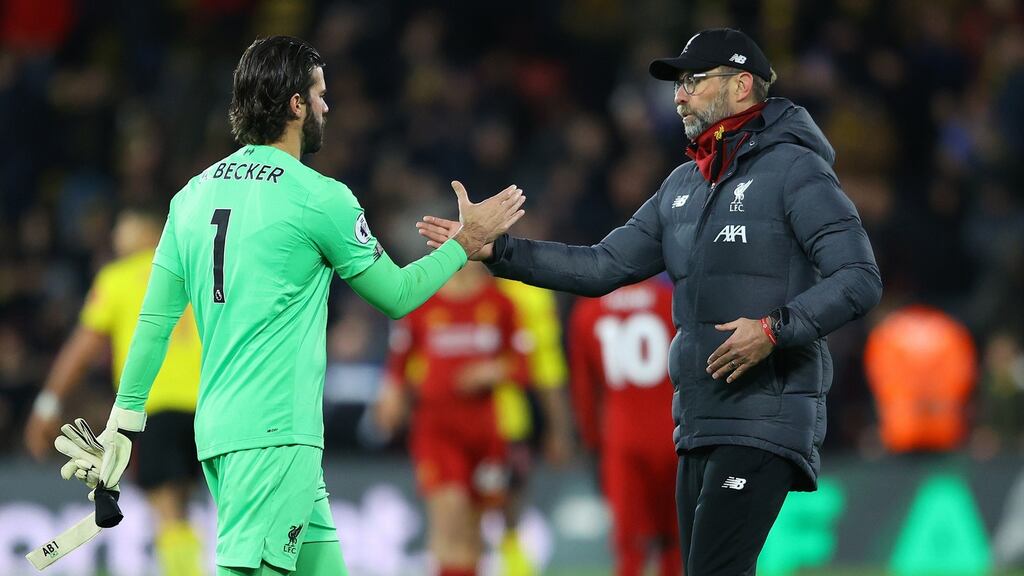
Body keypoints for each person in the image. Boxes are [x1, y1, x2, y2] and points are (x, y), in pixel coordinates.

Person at [53, 35, 526, 576]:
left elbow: (155, 322)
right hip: (274, 435)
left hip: (224, 431)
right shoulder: (319, 197)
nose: (327, 105)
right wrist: (465, 244)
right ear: (296, 105)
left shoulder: (190, 197)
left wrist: (123, 422)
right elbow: (397, 297)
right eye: (320, 94)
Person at [416, 27, 883, 575]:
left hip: (766, 416)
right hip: (698, 421)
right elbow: (601, 266)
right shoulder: (683, 184)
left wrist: (775, 329)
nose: (679, 95)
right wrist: (497, 250)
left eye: (694, 81)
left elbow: (859, 277)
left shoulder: (795, 170)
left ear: (741, 86)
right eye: (678, 83)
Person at [25, 207, 205, 576]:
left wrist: (47, 403)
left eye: (125, 229)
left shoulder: (118, 277)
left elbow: (83, 346)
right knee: (183, 503)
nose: (117, 238)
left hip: (155, 406)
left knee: (166, 508)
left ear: (149, 233)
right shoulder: (196, 271)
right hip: (209, 406)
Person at [376, 263, 531, 576]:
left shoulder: (500, 304)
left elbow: (523, 366)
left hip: (485, 434)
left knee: (473, 529)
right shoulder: (423, 302)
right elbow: (398, 366)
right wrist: (391, 399)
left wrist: (492, 371)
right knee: (451, 516)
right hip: (436, 431)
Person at [568, 277, 680, 576]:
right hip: (675, 432)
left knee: (629, 547)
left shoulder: (588, 310)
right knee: (676, 541)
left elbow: (584, 389)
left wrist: (592, 443)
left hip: (622, 436)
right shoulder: (669, 300)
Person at [493, 278, 573, 576]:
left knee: (508, 516)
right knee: (457, 517)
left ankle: (513, 564)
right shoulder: (439, 282)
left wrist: (559, 428)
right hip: (449, 426)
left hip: (508, 422)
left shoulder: (529, 295)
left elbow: (547, 367)